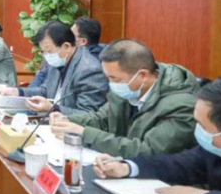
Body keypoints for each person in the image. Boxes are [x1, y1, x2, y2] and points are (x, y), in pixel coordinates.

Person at [49, 38, 199, 157]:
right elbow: (102, 119)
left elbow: (147, 151)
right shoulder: (128, 88)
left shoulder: (181, 106)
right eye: (108, 77)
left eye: (114, 78)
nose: (111, 84)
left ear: (142, 75)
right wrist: (67, 120)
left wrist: (84, 133)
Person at [6, 20, 107, 114]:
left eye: (49, 51)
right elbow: (46, 90)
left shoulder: (89, 70)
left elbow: (88, 114)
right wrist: (18, 92)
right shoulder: (59, 60)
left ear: (66, 46)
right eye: (43, 51)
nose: (46, 56)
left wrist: (53, 108)